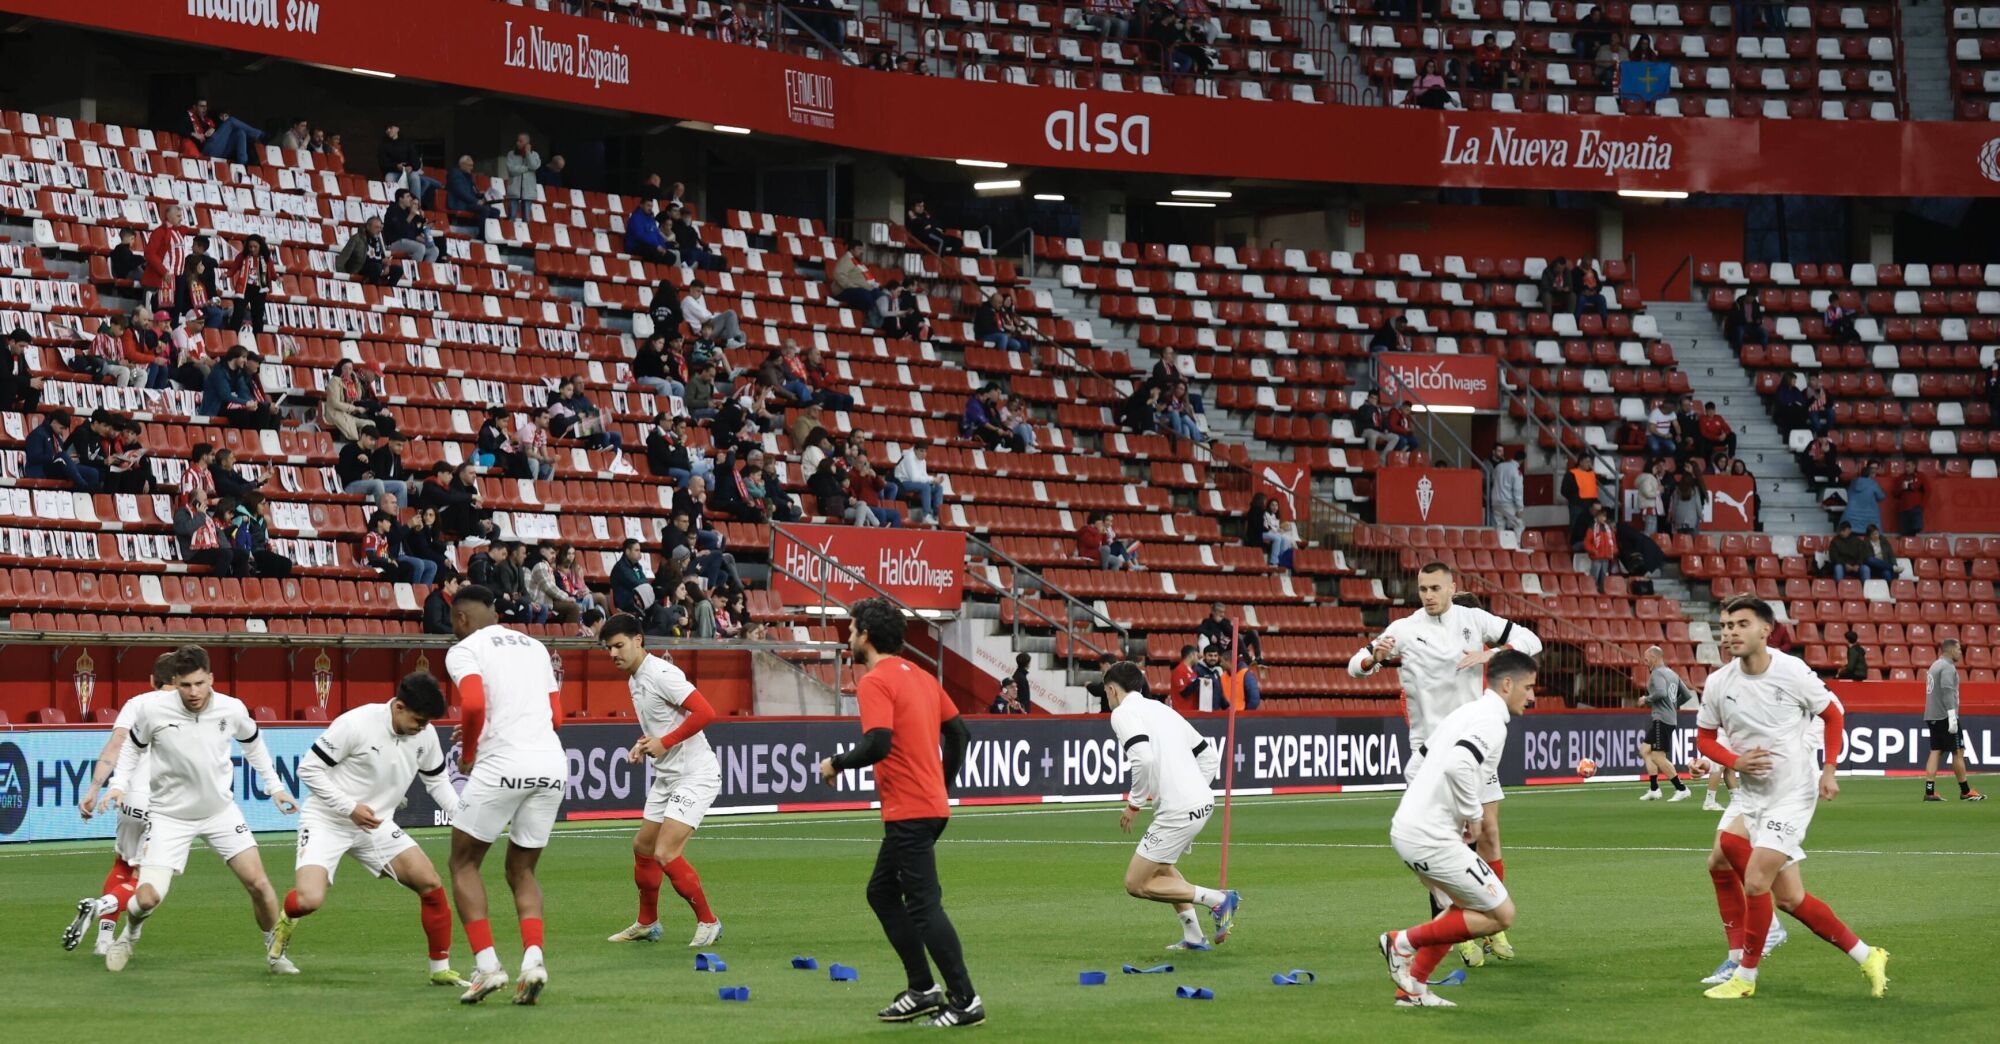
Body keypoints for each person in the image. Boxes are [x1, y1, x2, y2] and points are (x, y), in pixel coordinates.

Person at [1695, 595, 1891, 1000]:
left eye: (1741, 624)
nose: (1731, 632)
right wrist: (1735, 761)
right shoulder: (1718, 683)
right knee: (1783, 894)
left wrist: (1830, 770)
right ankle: (1867, 954)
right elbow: (1704, 738)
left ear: (1765, 630)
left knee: (1754, 883)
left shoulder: (1792, 671)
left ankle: (1744, 977)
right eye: (1726, 625)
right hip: (1752, 794)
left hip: (1792, 793)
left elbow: (1832, 715)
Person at [1348, 562, 1542, 966]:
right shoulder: (1403, 629)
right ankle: (1455, 928)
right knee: (1443, 847)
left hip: (1473, 746)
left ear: (1453, 587)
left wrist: (1490, 653)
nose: (1429, 595)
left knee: (1488, 834)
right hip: (1430, 755)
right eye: (1423, 588)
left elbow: (1531, 641)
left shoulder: (1473, 619)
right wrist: (1376, 659)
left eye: (1436, 587)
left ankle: (1491, 925)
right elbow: (1355, 667)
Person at [815, 599, 983, 1027]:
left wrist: (835, 763)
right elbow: (960, 734)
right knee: (882, 892)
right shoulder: (923, 677)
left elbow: (878, 744)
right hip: (926, 806)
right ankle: (923, 989)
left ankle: (965, 1000)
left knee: (923, 905)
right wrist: (940, 786)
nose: (848, 637)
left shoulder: (876, 681)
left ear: (867, 634)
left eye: (852, 629)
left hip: (909, 809)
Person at [99, 646, 299, 973]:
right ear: (174, 682)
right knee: (147, 898)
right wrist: (118, 784)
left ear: (211, 679)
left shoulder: (231, 709)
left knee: (260, 885)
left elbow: (254, 745)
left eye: (200, 683)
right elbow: (131, 750)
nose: (194, 692)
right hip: (168, 816)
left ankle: (275, 954)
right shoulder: (153, 711)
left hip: (220, 812)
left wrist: (275, 787)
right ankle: (130, 934)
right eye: (185, 685)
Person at [265, 672, 466, 985]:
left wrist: (464, 818)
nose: (422, 728)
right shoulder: (356, 723)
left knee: (430, 883)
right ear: (398, 707)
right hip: (328, 820)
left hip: (375, 825)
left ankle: (440, 970)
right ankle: (285, 921)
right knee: (308, 901)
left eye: (427, 723)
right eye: (418, 720)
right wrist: (350, 807)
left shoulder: (423, 735)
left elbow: (437, 782)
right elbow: (308, 769)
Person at [1376, 649, 1538, 1009]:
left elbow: (1416, 766)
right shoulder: (1491, 722)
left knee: (1460, 913)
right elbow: (1459, 765)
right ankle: (1399, 942)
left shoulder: (1465, 712)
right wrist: (1472, 815)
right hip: (1431, 838)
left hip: (1411, 829)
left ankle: (1412, 989)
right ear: (1507, 684)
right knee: (1501, 915)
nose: (1532, 696)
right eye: (1528, 687)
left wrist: (1427, 813)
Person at [443, 585, 568, 1004]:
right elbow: (558, 716)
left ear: (461, 618)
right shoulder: (534, 647)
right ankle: (533, 961)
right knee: (523, 871)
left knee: (463, 863)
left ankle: (488, 967)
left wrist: (469, 755)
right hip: (551, 761)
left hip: (502, 762)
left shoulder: (464, 649)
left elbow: (474, 703)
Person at [600, 616, 726, 946]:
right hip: (668, 776)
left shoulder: (661, 673)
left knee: (665, 852)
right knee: (643, 847)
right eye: (608, 648)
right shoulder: (635, 679)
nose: (613, 653)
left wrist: (664, 743)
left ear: (638, 640)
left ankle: (709, 921)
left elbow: (705, 712)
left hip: (695, 774)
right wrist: (645, 744)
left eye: (619, 645)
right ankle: (647, 923)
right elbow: (665, 722)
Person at [1102, 661, 1240, 951]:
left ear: (1113, 689)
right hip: (1200, 802)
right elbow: (1209, 757)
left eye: (1105, 692)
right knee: (1162, 867)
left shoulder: (1123, 713)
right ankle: (1194, 936)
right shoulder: (1164, 710)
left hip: (1179, 809)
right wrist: (1194, 791)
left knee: (1136, 883)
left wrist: (1134, 805)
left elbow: (1143, 758)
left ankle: (1218, 900)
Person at [66, 654, 176, 958]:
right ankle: (99, 906)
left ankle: (103, 940)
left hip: (129, 797)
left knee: (121, 864)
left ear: (152, 680)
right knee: (146, 881)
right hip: (164, 804)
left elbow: (116, 745)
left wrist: (93, 788)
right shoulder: (189, 707)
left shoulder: (138, 702)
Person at [1922, 640, 1984, 802]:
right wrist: (1952, 717)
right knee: (1958, 751)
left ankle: (1930, 791)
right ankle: (1965, 791)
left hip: (1932, 715)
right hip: (1944, 716)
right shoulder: (1947, 667)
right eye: (1958, 649)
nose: (1960, 651)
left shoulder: (1935, 665)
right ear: (1949, 650)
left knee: (1936, 750)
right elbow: (1947, 692)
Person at [1638, 646, 1695, 802]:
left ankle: (1681, 788)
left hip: (1662, 719)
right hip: (1667, 718)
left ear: (1654, 657)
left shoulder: (1656, 674)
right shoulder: (1672, 673)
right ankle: (1654, 789)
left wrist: (1646, 699)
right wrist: (1672, 706)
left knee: (1657, 756)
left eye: (1646, 658)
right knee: (1645, 750)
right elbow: (1687, 695)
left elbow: (1661, 693)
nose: (1645, 661)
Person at [24, 408, 98, 490]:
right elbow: (33, 457)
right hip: (42, 469)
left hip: (59, 466)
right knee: (62, 456)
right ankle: (83, 486)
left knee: (93, 473)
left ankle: (84, 495)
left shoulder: (57, 436)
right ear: (54, 422)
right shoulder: (38, 434)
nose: (62, 431)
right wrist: (53, 457)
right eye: (61, 428)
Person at [187, 99, 265, 164]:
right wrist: (193, 133)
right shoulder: (189, 118)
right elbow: (178, 128)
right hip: (207, 150)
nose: (204, 108)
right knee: (231, 121)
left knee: (240, 133)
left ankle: (242, 164)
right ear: (195, 107)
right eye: (201, 106)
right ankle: (260, 135)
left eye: (205, 106)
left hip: (220, 150)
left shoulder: (208, 119)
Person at [336, 216, 402, 286]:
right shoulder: (357, 238)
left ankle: (386, 290)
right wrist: (343, 275)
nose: (379, 230)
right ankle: (373, 289)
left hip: (377, 266)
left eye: (380, 228)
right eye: (376, 227)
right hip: (359, 267)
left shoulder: (378, 239)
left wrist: (386, 266)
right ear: (368, 227)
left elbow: (382, 257)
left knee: (398, 270)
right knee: (376, 268)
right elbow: (344, 256)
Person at [383, 188, 440, 264]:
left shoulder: (407, 211)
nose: (410, 199)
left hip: (408, 242)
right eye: (408, 196)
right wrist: (411, 215)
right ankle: (414, 272)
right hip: (394, 242)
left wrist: (425, 226)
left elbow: (415, 231)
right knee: (420, 248)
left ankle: (424, 272)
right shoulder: (392, 210)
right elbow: (400, 231)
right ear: (401, 199)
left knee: (434, 250)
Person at [682, 281, 745, 348]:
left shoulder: (694, 302)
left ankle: (738, 352)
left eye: (701, 292)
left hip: (708, 326)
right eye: (698, 291)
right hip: (705, 329)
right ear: (691, 289)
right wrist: (713, 316)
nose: (700, 294)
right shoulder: (688, 300)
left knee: (742, 334)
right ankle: (730, 341)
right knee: (730, 313)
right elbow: (704, 316)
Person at [893, 444, 944, 525]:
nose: (924, 454)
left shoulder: (923, 461)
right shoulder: (909, 458)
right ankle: (926, 515)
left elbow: (924, 476)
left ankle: (937, 515)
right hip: (903, 483)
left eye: (925, 451)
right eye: (921, 451)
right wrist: (933, 479)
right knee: (925, 487)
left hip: (915, 483)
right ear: (915, 450)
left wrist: (934, 480)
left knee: (938, 487)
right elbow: (914, 478)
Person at [448, 155, 501, 221]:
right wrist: (476, 201)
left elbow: (474, 190)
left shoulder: (468, 176)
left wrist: (480, 194)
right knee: (484, 209)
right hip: (461, 204)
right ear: (462, 165)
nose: (472, 168)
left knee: (496, 211)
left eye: (472, 165)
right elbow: (461, 193)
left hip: (470, 203)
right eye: (470, 165)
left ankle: (492, 231)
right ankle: (482, 231)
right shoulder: (455, 174)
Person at [503, 133, 540, 221]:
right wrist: (526, 168)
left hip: (528, 191)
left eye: (520, 141)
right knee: (511, 217)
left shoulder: (534, 155)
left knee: (526, 218)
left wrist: (528, 153)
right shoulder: (511, 154)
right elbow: (511, 170)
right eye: (517, 141)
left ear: (527, 143)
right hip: (514, 189)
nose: (517, 143)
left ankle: (525, 234)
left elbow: (534, 166)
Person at [625, 197, 674, 263]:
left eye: (651, 206)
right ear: (641, 205)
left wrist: (663, 247)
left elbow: (657, 234)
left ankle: (661, 272)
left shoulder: (651, 218)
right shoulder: (636, 218)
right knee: (656, 254)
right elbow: (640, 236)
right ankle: (651, 272)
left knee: (671, 257)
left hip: (651, 246)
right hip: (636, 246)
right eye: (648, 205)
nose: (650, 208)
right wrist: (656, 246)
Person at [1488, 447, 1523, 536]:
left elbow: (1493, 479)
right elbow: (1518, 491)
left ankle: (1500, 548)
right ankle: (1517, 547)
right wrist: (1520, 508)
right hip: (1507, 503)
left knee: (1499, 527)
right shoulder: (1516, 471)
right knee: (1519, 525)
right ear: (1522, 461)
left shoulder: (1499, 466)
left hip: (1495, 501)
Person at [1585, 505, 1618, 591]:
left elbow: (1613, 541)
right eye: (1601, 516)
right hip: (1596, 557)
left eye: (1604, 516)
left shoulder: (1609, 529)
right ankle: (1591, 591)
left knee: (1603, 577)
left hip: (1606, 557)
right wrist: (1593, 550)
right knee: (1594, 576)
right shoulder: (1592, 528)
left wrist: (1614, 550)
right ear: (1597, 517)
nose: (1603, 518)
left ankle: (1601, 593)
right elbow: (1587, 542)